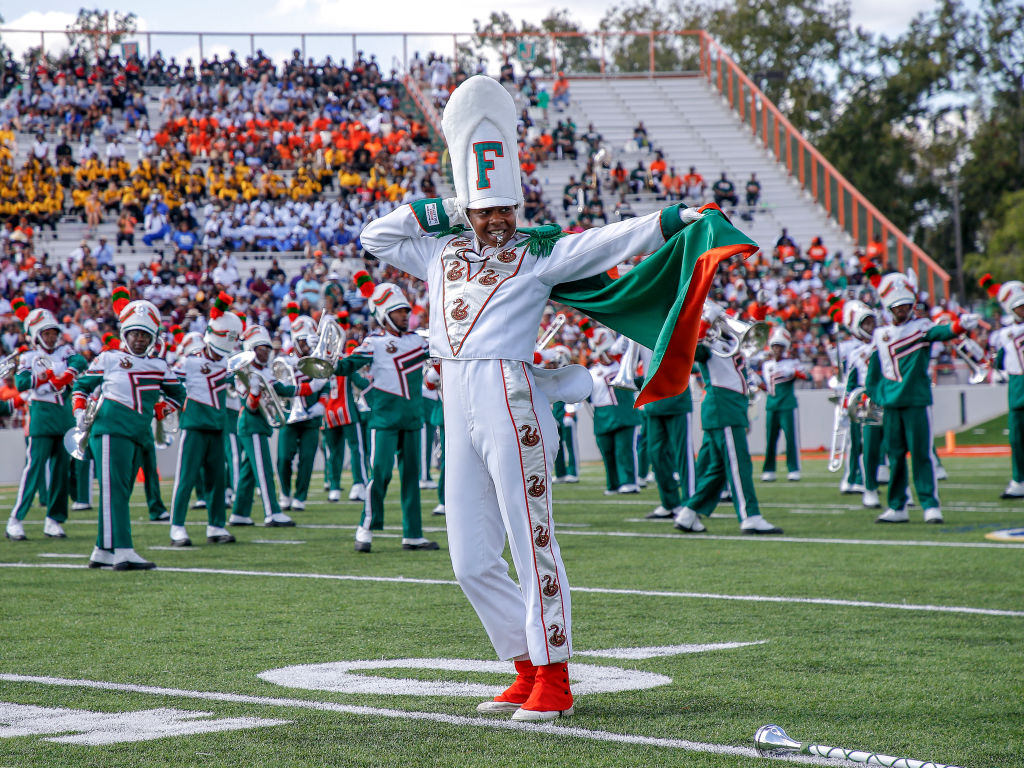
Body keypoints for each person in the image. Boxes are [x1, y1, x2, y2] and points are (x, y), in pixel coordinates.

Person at [358, 75, 754, 722]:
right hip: (452, 392)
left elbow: (607, 240)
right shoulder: (440, 251)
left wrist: (674, 218)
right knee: (468, 556)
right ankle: (521, 664)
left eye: (504, 209)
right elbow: (375, 236)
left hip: (510, 394)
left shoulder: (539, 255)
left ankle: (556, 677)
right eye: (485, 211)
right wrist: (453, 207)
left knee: (531, 535)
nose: (496, 221)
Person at [72, 296, 186, 569]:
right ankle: (122, 550)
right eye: (134, 333)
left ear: (152, 338)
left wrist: (163, 409)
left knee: (119, 491)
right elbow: (82, 386)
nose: (139, 339)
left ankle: (102, 549)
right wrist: (79, 412)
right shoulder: (108, 358)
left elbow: (179, 393)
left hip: (137, 433)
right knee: (114, 490)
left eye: (145, 335)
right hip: (110, 430)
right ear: (125, 333)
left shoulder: (159, 366)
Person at [864, 272, 978, 524]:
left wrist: (959, 325)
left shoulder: (921, 327)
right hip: (891, 406)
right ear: (888, 308)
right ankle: (897, 506)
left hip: (916, 401)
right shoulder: (880, 336)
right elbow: (873, 375)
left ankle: (930, 504)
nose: (902, 309)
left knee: (921, 454)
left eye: (906, 305)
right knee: (894, 457)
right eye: (897, 306)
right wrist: (877, 397)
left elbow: (942, 332)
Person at [335, 273, 436, 553]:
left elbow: (445, 356)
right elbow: (347, 366)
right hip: (384, 421)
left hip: (413, 419)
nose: (405, 316)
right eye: (398, 312)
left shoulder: (419, 341)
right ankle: (366, 527)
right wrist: (328, 363)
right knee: (380, 474)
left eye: (406, 311)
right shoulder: (373, 344)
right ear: (383, 315)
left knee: (411, 478)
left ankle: (413, 534)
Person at [673, 301, 783, 536]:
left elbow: (753, 340)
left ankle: (689, 513)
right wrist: (703, 323)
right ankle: (750, 516)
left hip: (730, 407)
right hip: (722, 406)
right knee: (738, 464)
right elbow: (692, 350)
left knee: (719, 469)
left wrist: (759, 312)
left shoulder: (729, 342)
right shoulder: (706, 343)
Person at [6, 302, 88, 541]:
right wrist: (43, 377)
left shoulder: (65, 352)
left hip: (63, 416)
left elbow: (80, 362)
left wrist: (67, 375)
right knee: (34, 469)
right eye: (46, 333)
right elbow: (21, 382)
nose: (51, 337)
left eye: (53, 333)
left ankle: (54, 519)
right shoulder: (28, 356)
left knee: (62, 471)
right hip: (41, 416)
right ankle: (16, 519)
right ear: (35, 335)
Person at [168, 292, 242, 547]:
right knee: (186, 478)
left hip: (217, 427)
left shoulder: (229, 363)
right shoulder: (188, 363)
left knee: (217, 479)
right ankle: (177, 526)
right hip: (194, 427)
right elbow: (168, 381)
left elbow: (240, 385)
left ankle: (216, 525)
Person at [230, 325, 301, 527]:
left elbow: (283, 389)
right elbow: (251, 406)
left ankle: (240, 513)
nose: (265, 352)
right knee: (264, 470)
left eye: (267, 349)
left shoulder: (264, 371)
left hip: (259, 425)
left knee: (249, 472)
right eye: (260, 349)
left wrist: (312, 386)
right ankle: (272, 512)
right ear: (251, 350)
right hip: (251, 424)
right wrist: (254, 391)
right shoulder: (244, 372)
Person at [276, 314, 328, 512]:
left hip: (311, 417)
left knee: (307, 458)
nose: (306, 345)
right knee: (284, 458)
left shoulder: (317, 360)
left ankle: (300, 497)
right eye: (303, 340)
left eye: (309, 340)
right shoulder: (284, 360)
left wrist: (322, 404)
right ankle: (285, 492)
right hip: (290, 416)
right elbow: (278, 388)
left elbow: (326, 384)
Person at [584, 326, 640, 495]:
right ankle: (613, 484)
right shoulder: (591, 372)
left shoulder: (624, 367)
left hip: (623, 413)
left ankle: (629, 482)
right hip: (601, 415)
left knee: (624, 450)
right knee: (607, 452)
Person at [988, 279, 1024, 498]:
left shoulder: (1006, 334)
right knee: (1017, 439)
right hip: (1017, 389)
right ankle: (1019, 479)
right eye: (1019, 306)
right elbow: (999, 362)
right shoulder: (1004, 334)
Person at [322, 338, 369, 503]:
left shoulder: (320, 363)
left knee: (334, 453)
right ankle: (359, 485)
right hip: (347, 410)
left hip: (329, 411)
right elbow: (360, 383)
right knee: (357, 449)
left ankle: (334, 487)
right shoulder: (344, 361)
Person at [760, 327, 808, 482]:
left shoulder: (792, 362)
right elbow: (767, 387)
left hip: (787, 405)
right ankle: (769, 469)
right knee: (770, 439)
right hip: (771, 405)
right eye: (775, 346)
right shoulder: (766, 365)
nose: (777, 350)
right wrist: (757, 383)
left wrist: (794, 372)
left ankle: (793, 469)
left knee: (791, 438)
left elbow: (806, 376)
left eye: (780, 346)